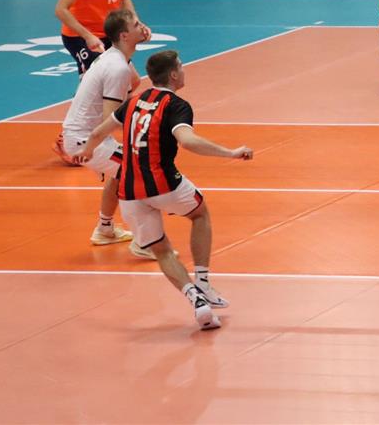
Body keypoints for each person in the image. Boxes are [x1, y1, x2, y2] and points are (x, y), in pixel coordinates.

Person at [75, 49, 254, 330]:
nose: (183, 70)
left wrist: (86, 151)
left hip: (129, 192)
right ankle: (203, 282)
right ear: (173, 74)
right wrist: (231, 153)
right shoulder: (177, 105)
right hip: (164, 184)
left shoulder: (133, 101)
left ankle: (196, 301)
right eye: (181, 66)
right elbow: (188, 141)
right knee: (200, 214)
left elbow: (98, 132)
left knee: (162, 251)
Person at [54, 9, 154, 257]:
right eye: (137, 24)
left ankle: (105, 230)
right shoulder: (116, 67)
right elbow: (113, 118)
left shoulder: (117, 58)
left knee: (121, 173)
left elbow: (134, 83)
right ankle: (145, 242)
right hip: (85, 138)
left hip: (90, 134)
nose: (143, 27)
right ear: (124, 35)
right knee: (137, 172)